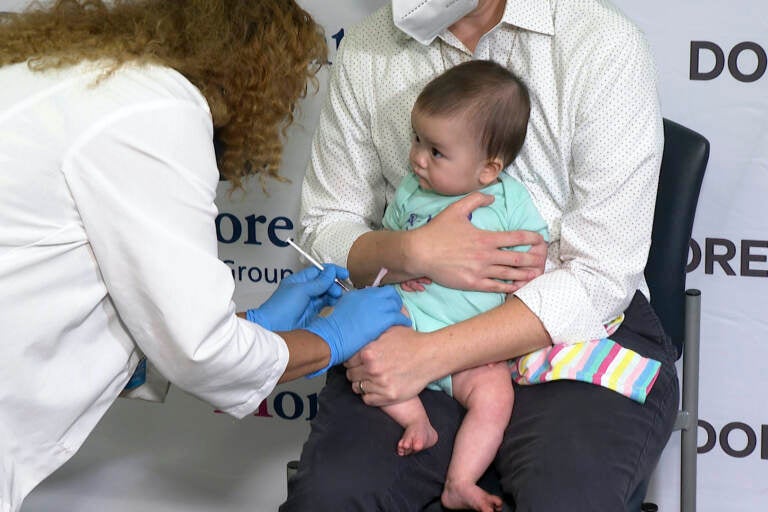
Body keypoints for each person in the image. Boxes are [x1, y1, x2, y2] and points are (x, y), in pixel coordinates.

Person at [0, 2, 410, 511]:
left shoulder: (83, 82)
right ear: (256, 71)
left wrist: (251, 325)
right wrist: (328, 339)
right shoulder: (155, 110)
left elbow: (102, 288)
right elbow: (200, 351)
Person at [282, 0, 680, 510]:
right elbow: (325, 225)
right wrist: (413, 250)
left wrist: (433, 355)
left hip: (578, 332)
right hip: (412, 316)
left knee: (567, 498)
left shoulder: (600, 42)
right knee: (332, 497)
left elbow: (602, 275)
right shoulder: (369, 48)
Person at [379, 60, 548, 512]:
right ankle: (415, 418)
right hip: (407, 323)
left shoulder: (508, 199)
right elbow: (391, 243)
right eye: (417, 139)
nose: (417, 157)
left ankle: (461, 480)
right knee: (363, 344)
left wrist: (531, 265)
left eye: (436, 151)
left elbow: (534, 249)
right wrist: (402, 263)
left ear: (488, 171)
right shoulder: (410, 192)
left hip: (473, 348)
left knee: (496, 396)